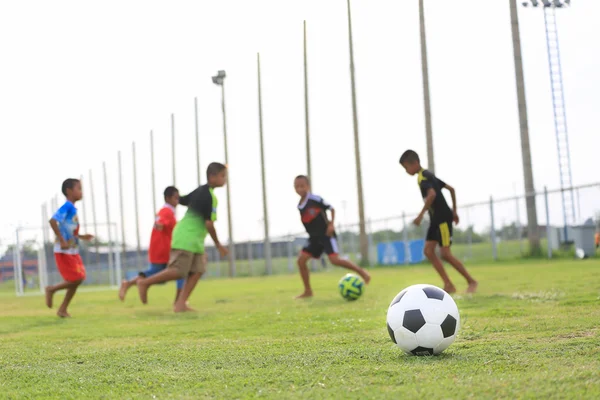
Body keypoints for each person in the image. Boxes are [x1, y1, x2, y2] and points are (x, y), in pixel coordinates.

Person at [137, 163, 229, 312]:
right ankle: (145, 283)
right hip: (186, 237)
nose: (225, 179)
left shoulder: (201, 191)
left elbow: (183, 200)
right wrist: (218, 245)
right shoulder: (209, 197)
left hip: (195, 240)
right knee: (179, 271)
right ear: (212, 177)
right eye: (222, 176)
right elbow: (209, 224)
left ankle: (181, 304)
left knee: (198, 270)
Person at [399, 150, 477, 294]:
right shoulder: (427, 175)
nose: (406, 171)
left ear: (414, 163)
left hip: (441, 218)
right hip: (437, 219)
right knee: (428, 251)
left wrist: (421, 215)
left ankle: (471, 281)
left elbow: (432, 195)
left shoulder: (424, 178)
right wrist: (454, 210)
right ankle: (448, 285)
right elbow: (451, 190)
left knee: (445, 253)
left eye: (406, 168)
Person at [293, 175, 371, 299]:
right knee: (301, 261)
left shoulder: (315, 199)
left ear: (308, 186)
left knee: (335, 260)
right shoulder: (300, 205)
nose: (299, 189)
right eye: (297, 186)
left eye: (302, 186)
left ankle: (363, 273)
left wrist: (331, 225)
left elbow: (331, 208)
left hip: (326, 235)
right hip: (313, 238)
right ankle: (308, 291)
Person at [119, 186, 184, 303]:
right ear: (168, 198)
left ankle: (128, 284)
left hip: (162, 249)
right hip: (163, 250)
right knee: (180, 271)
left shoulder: (167, 211)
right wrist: (159, 224)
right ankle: (179, 301)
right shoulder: (166, 211)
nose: (178, 201)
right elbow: (160, 222)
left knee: (157, 275)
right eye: (176, 198)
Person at [45, 178, 94, 317]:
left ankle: (62, 309)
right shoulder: (67, 206)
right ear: (69, 191)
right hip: (64, 251)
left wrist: (83, 236)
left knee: (78, 279)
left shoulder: (72, 208)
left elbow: (70, 230)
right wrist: (62, 241)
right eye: (79, 188)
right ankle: (51, 290)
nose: (81, 192)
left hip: (73, 250)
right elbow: (53, 221)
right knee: (76, 278)